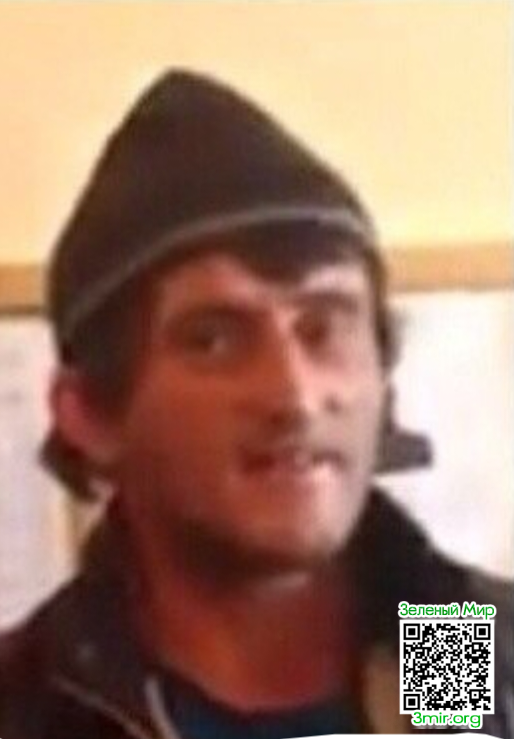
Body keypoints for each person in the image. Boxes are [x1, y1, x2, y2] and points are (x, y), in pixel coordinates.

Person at [0, 69, 511, 738]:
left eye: (323, 327)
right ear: (89, 413)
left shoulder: (455, 644)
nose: (294, 396)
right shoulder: (32, 709)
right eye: (213, 340)